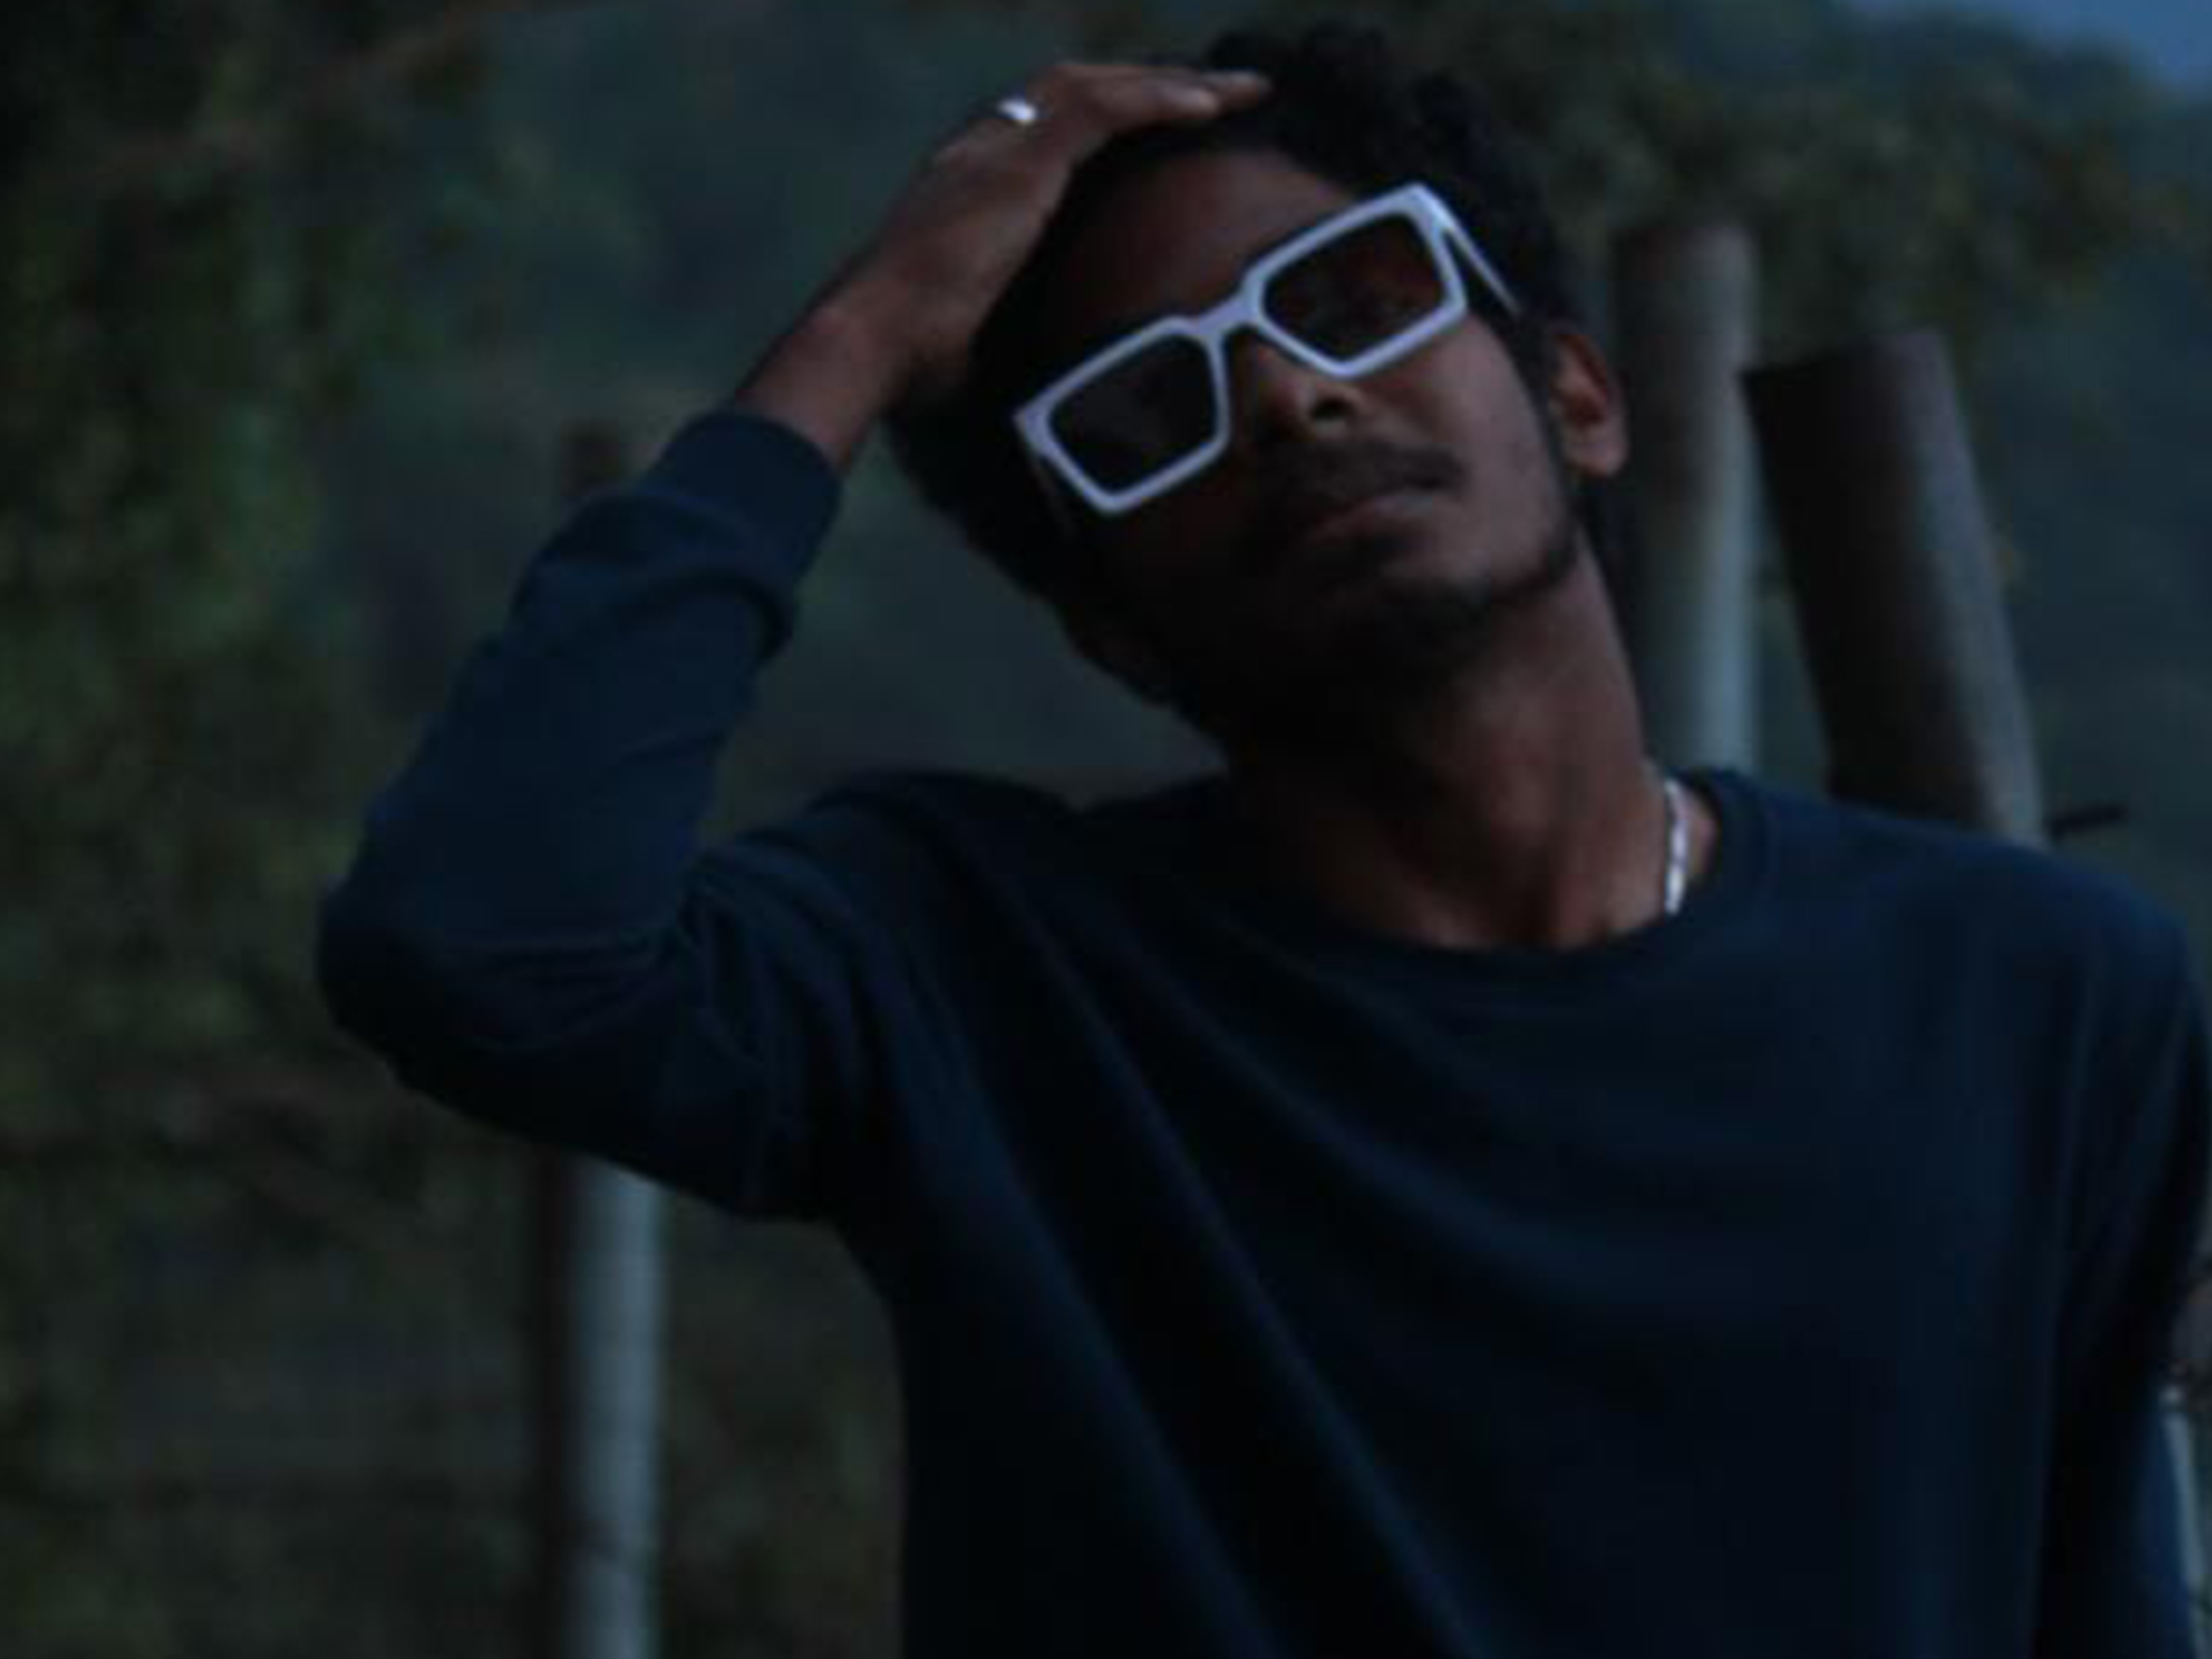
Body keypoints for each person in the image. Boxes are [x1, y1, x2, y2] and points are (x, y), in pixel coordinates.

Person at [317, 22, 2211, 1657]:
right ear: (1109, 629)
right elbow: (476, 942)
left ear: (1573, 394)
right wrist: (863, 330)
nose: (1288, 395)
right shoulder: (979, 975)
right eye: (1150, 406)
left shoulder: (2036, 998)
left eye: (1353, 300)